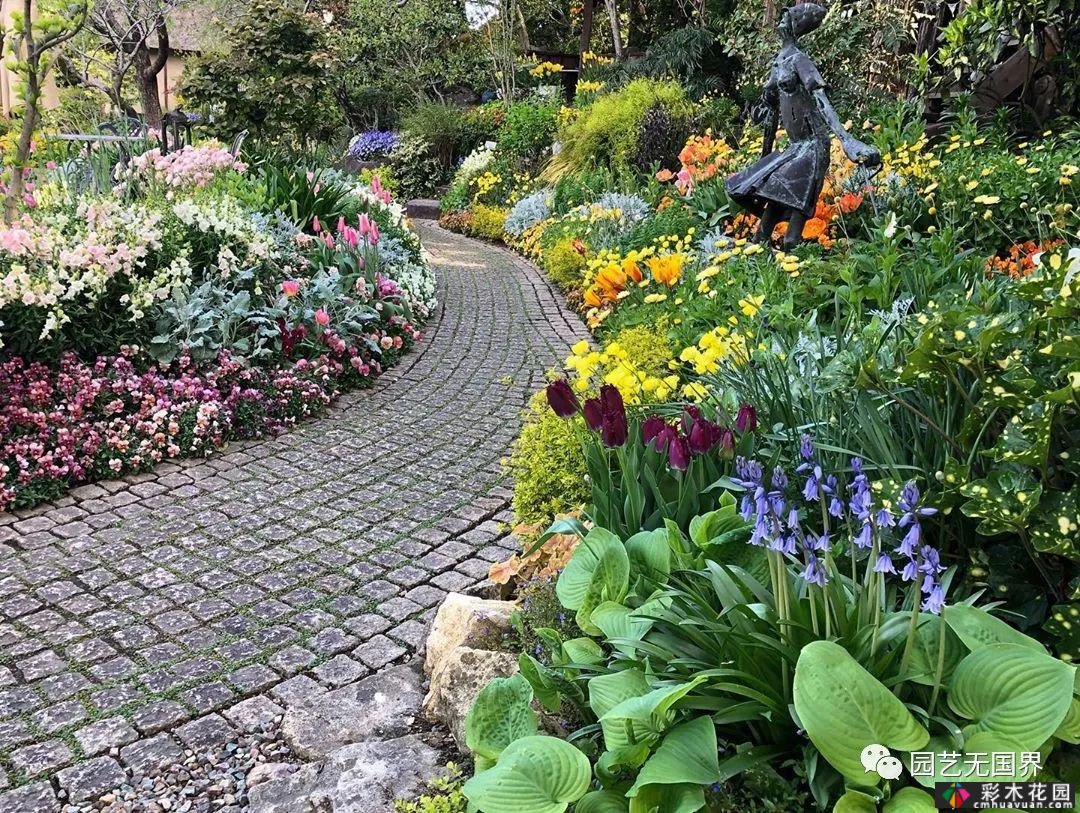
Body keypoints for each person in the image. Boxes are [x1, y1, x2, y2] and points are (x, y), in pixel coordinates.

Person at [726, 2, 881, 248]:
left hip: (813, 147)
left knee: (791, 226)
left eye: (787, 18)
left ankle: (795, 265)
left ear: (797, 26)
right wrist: (764, 155)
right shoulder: (779, 61)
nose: (781, 22)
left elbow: (821, 101)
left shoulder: (800, 60)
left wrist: (847, 140)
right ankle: (761, 270)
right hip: (795, 147)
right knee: (761, 219)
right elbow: (771, 112)